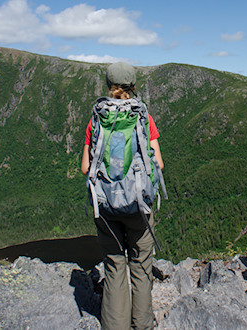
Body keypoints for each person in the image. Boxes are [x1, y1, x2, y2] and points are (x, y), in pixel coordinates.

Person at [80, 62, 164, 330]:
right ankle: (142, 325)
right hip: (138, 204)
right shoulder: (143, 118)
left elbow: (85, 167)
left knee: (115, 266)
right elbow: (158, 164)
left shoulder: (97, 118)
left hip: (106, 204)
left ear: (107, 86)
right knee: (141, 267)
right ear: (134, 87)